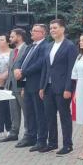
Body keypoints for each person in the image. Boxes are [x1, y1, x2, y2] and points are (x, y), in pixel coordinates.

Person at [39, 19, 78, 155]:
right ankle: (52, 143)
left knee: (64, 116)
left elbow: (71, 69)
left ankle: (68, 145)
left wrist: (68, 88)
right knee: (49, 116)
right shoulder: (49, 46)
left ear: (63, 29)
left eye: (55, 28)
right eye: (51, 28)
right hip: (48, 87)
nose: (52, 30)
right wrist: (42, 87)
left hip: (62, 88)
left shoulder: (69, 46)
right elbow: (45, 68)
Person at [14, 24, 49, 152]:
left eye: (35, 31)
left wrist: (23, 73)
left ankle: (41, 140)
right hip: (27, 85)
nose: (32, 33)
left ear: (43, 33)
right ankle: (30, 137)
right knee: (29, 113)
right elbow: (21, 60)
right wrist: (17, 69)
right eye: (32, 30)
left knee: (39, 114)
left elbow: (39, 64)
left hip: (37, 84)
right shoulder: (30, 46)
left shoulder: (45, 46)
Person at [2, 28, 29, 144]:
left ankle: (28, 134)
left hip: (21, 86)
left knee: (26, 111)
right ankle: (14, 133)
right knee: (13, 111)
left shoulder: (27, 49)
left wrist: (23, 87)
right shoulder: (13, 51)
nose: (10, 38)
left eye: (12, 36)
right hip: (11, 86)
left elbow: (25, 69)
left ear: (19, 37)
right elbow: (10, 69)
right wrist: (7, 85)